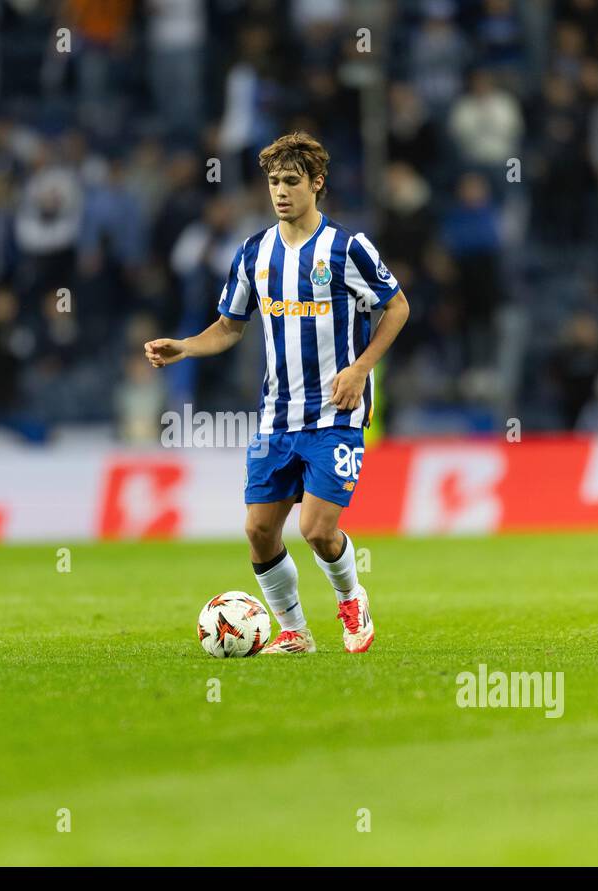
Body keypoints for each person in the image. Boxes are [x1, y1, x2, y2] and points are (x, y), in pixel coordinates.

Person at [144, 131, 410, 654]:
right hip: (275, 418)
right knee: (260, 531)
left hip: (337, 411)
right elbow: (228, 327)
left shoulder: (347, 248)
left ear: (317, 184)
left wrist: (359, 369)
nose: (281, 192)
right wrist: (185, 347)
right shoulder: (253, 253)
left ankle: (351, 598)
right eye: (273, 182)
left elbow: (397, 306)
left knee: (315, 528)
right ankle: (294, 631)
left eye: (291, 181)